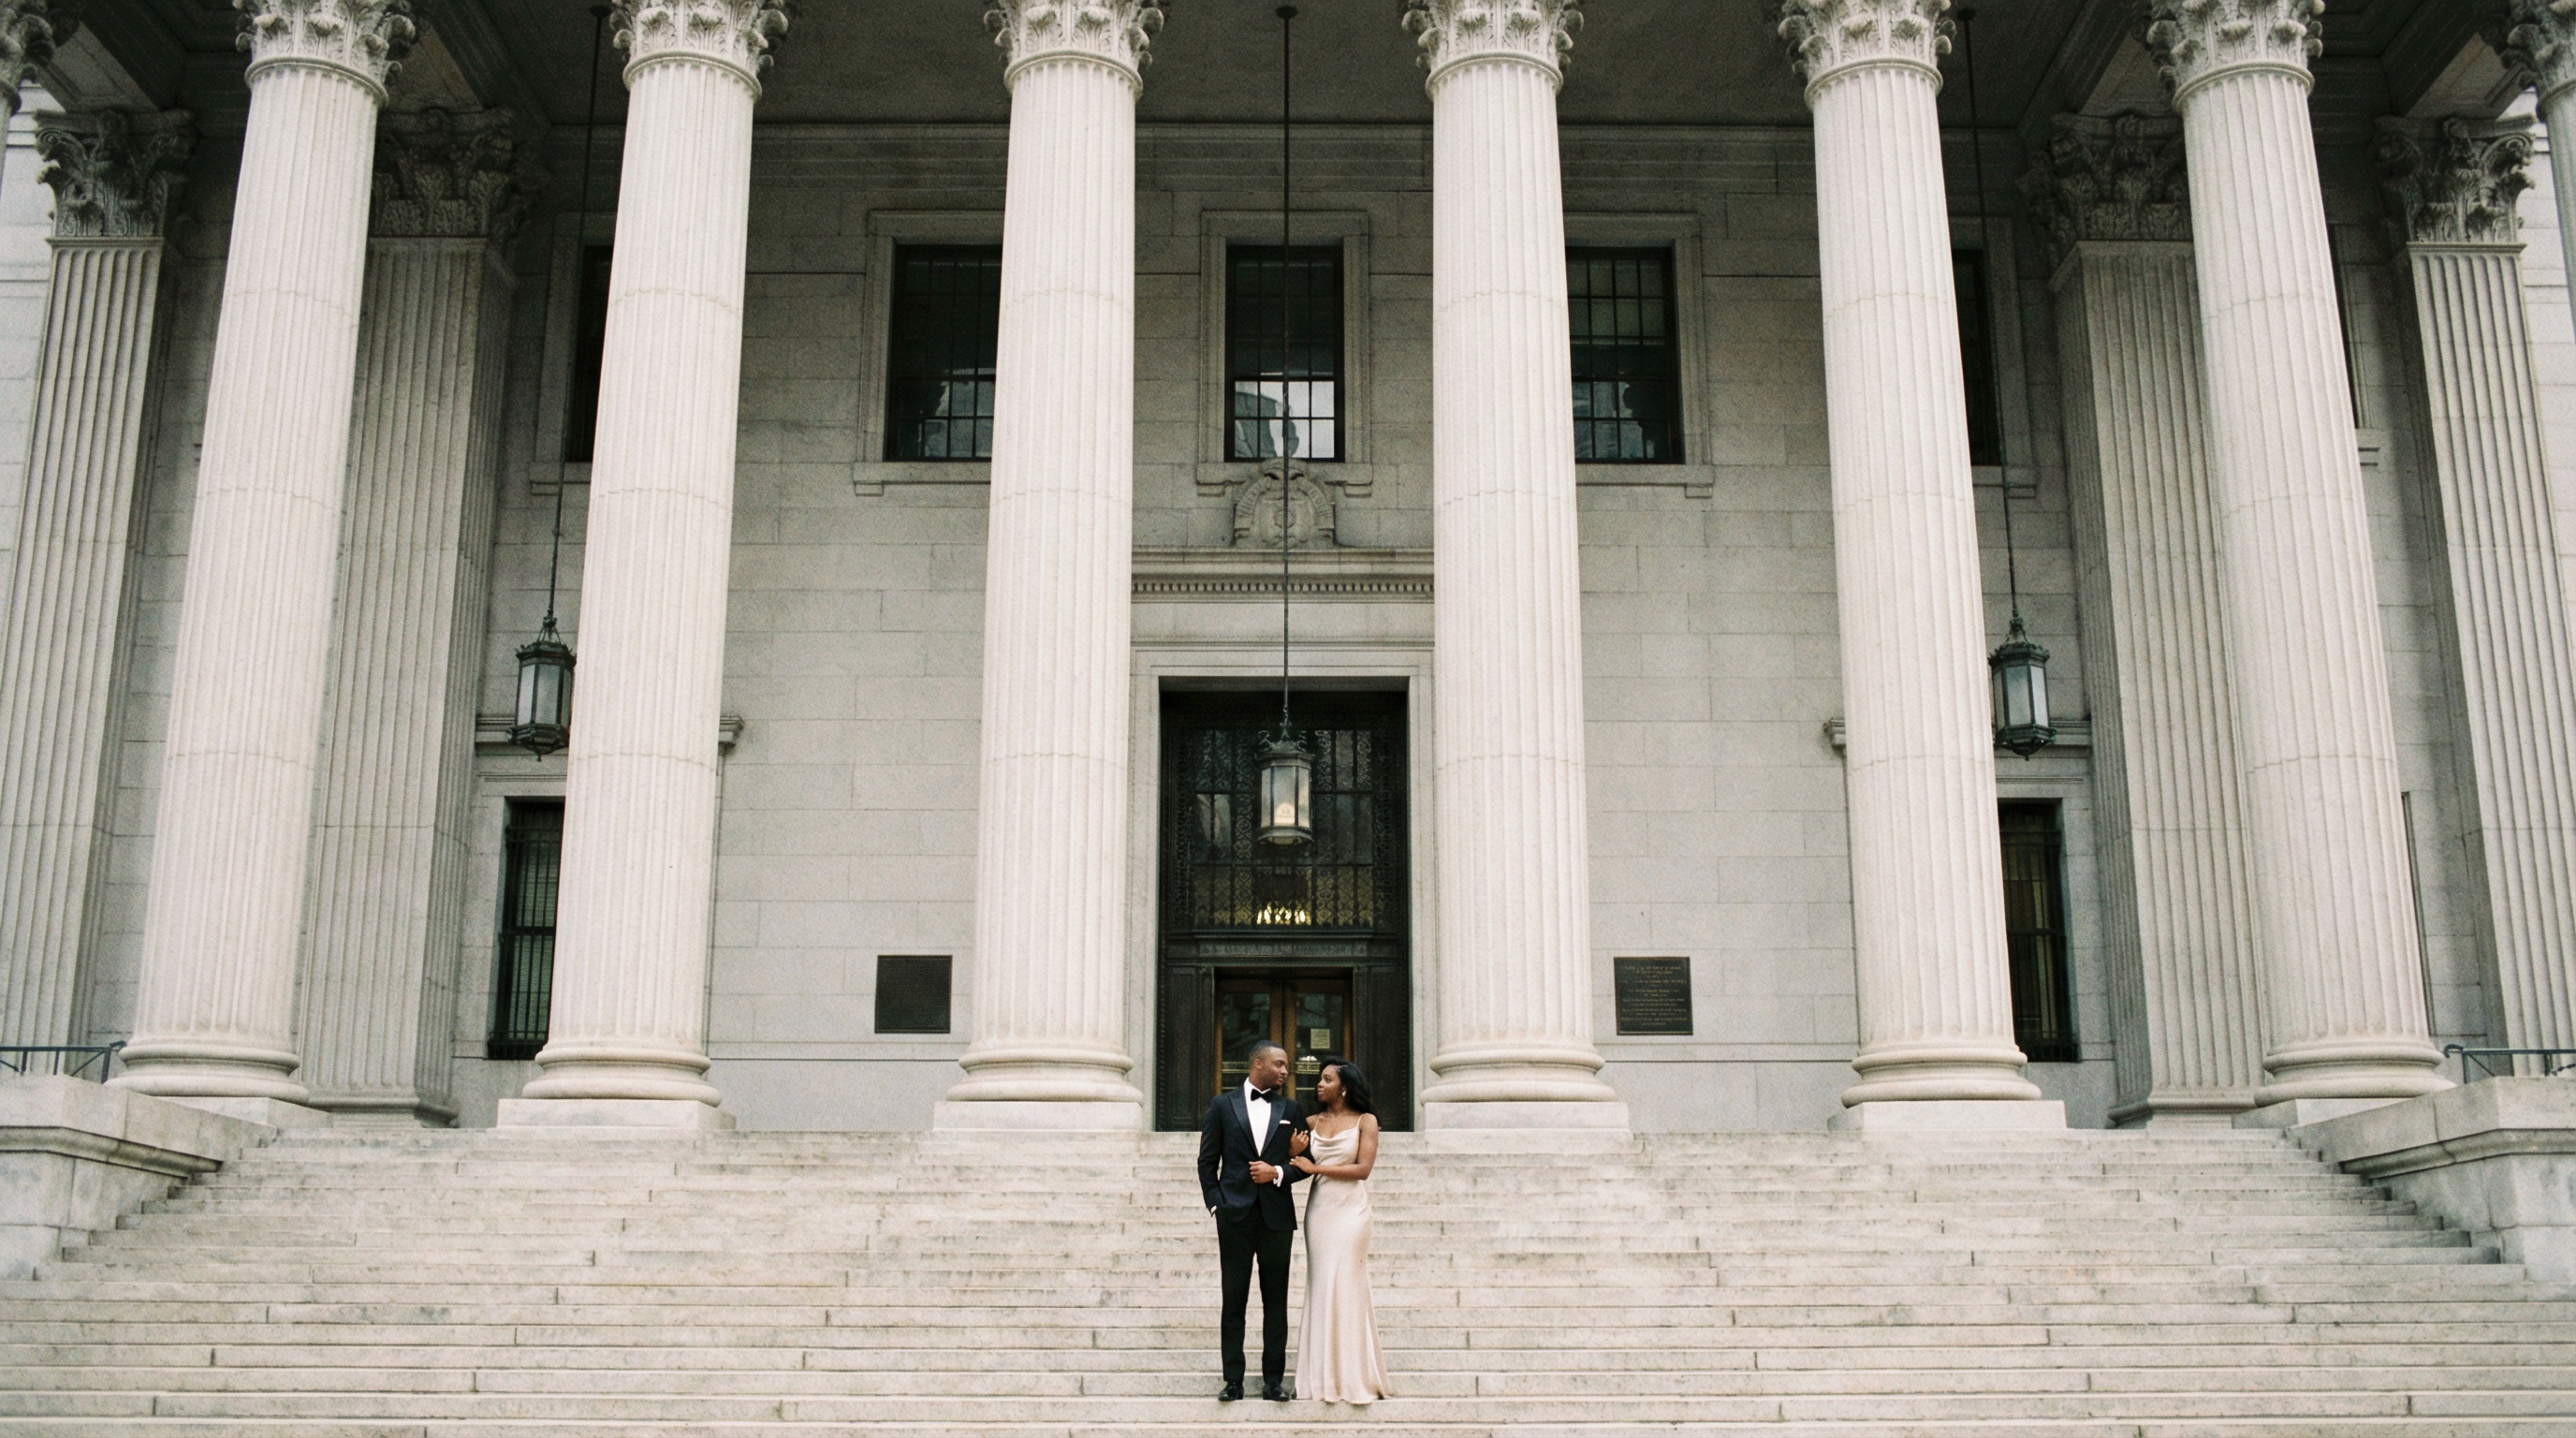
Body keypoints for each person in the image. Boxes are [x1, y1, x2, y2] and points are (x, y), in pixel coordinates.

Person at [1197, 1040, 1309, 1401]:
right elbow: (1206, 1161)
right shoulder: (1221, 1105)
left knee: (1276, 1303)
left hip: (1276, 1217)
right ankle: (1233, 1380)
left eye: (1287, 1066)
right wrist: (1216, 1204)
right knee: (1234, 1300)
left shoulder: (1291, 1108)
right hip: (1235, 1216)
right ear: (1257, 1063)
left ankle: (1273, 1382)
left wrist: (1278, 1170)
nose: (1285, 1071)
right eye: (1279, 1064)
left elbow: (1307, 1163)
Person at [1288, 1058, 1391, 1404]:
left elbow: (1363, 1169)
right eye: (1320, 1079)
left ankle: (1352, 1376)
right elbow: (1296, 1165)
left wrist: (1314, 1165)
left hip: (1351, 1211)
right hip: (1320, 1211)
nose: (1319, 1084)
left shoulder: (1366, 1121)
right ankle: (1320, 1377)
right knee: (1321, 1285)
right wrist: (1293, 1154)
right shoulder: (1311, 1122)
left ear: (1344, 1087)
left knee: (1346, 1284)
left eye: (1327, 1079)